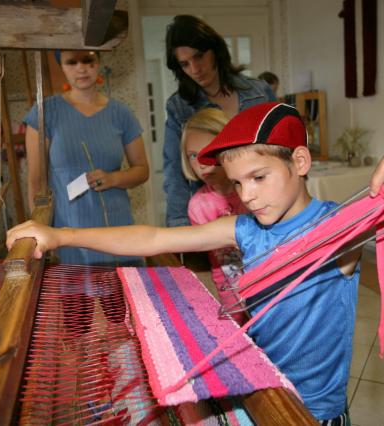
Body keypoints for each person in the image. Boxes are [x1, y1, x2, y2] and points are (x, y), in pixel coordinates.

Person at [8, 103, 384, 423]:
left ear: (299, 162)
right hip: (257, 391)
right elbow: (154, 236)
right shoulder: (245, 229)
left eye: (259, 176)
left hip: (311, 413)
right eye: (237, 184)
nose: (248, 195)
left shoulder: (339, 231)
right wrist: (59, 234)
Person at [23, 49, 149, 266]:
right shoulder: (44, 113)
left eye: (88, 60)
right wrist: (40, 231)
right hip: (68, 230)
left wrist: (113, 179)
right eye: (71, 62)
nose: (81, 68)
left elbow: (142, 170)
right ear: (61, 67)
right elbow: (36, 182)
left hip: (118, 228)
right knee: (77, 299)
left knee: (124, 297)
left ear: (99, 62)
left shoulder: (121, 113)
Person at [163, 14, 276, 227]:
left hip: (268, 204)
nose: (195, 69)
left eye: (199, 57)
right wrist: (179, 227)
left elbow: (283, 152)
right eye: (185, 64)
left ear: (215, 50)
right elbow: (175, 171)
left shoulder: (260, 93)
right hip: (215, 214)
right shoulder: (179, 107)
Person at [181, 108, 249, 324]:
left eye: (209, 151)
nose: (201, 161)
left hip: (267, 282)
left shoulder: (253, 190)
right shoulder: (198, 206)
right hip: (229, 288)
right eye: (193, 155)